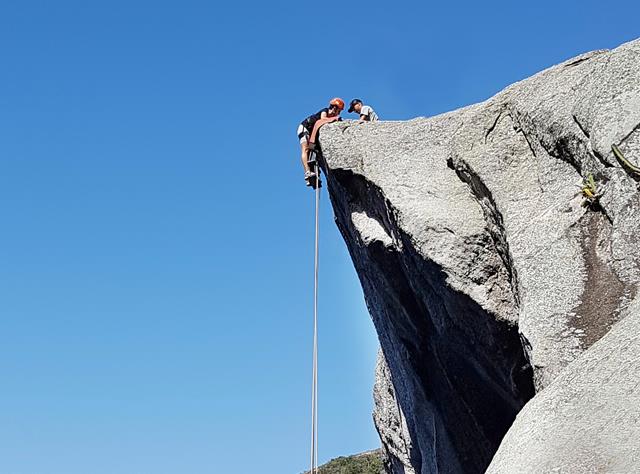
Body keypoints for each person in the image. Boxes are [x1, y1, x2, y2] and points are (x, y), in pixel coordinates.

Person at [297, 98, 344, 185]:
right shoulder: (325, 111)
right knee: (305, 149)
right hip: (304, 128)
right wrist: (335, 118)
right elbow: (323, 119)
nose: (339, 113)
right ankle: (307, 171)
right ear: (335, 108)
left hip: (309, 131)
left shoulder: (329, 115)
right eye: (339, 110)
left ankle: (311, 173)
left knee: (312, 152)